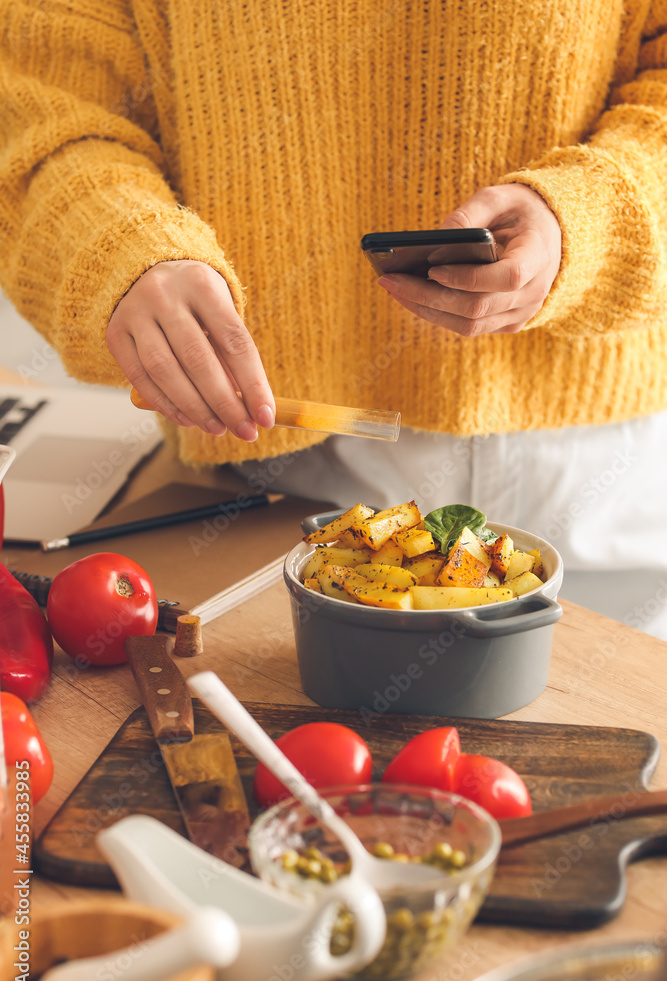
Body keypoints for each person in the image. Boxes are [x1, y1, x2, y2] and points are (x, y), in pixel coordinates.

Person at [1, 1, 666, 636]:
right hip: (276, 501)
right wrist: (119, 243)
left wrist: (593, 222)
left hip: (609, 501)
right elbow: (39, 107)